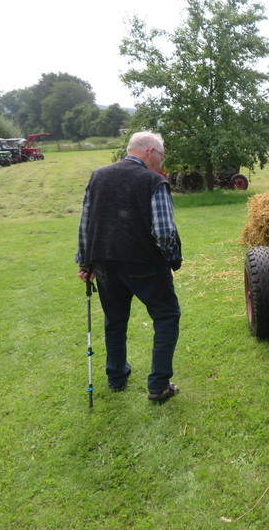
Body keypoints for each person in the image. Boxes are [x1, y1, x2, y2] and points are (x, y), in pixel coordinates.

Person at [76, 131, 183, 402]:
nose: (161, 162)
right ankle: (158, 386)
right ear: (150, 151)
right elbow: (164, 232)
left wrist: (85, 262)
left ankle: (116, 377)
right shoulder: (153, 181)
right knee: (166, 316)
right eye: (161, 156)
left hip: (105, 264)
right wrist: (168, 257)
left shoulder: (98, 177)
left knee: (114, 320)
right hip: (145, 263)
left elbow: (86, 224)